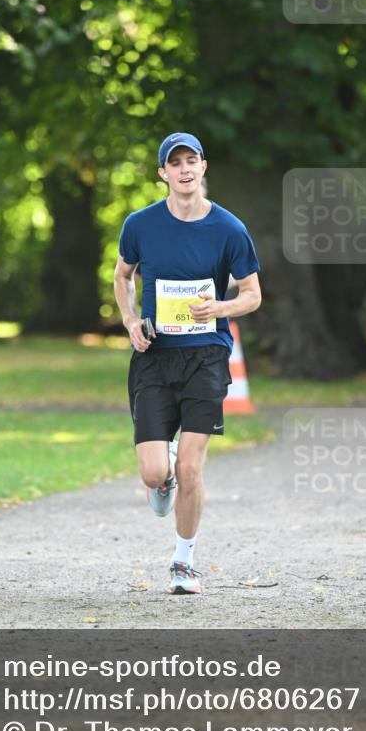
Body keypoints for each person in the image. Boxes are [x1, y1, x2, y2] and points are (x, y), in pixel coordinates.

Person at [113, 132, 262, 595]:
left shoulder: (229, 229)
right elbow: (123, 275)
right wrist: (131, 320)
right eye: (173, 163)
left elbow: (252, 295)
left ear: (203, 167)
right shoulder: (140, 224)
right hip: (154, 356)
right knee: (155, 474)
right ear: (162, 173)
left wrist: (219, 308)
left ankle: (184, 562)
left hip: (207, 357)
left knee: (195, 469)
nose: (183, 169)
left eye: (190, 160)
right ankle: (166, 469)